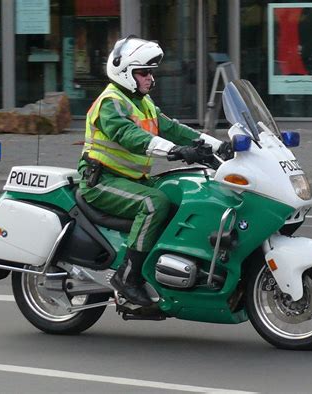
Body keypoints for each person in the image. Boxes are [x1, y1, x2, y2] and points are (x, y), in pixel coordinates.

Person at [78, 36, 228, 306]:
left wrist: (220, 147)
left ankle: (164, 273)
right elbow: (128, 134)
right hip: (101, 181)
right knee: (153, 203)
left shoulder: (142, 103)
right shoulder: (110, 102)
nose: (150, 79)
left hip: (132, 179)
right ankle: (128, 277)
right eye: (143, 73)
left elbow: (175, 129)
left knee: (182, 198)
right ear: (125, 72)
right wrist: (174, 151)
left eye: (151, 73)